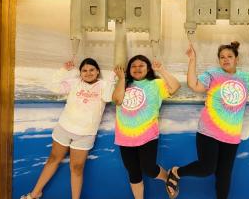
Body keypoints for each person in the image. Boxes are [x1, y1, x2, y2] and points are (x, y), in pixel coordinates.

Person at [165, 40, 249, 199]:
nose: (226, 59)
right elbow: (193, 85)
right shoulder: (213, 74)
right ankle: (176, 172)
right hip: (208, 131)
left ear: (237, 59)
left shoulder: (245, 78)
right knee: (207, 168)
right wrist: (192, 60)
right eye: (222, 57)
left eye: (230, 56)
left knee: (224, 175)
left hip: (231, 136)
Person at [20, 58, 115, 199]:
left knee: (76, 169)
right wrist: (63, 70)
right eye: (84, 70)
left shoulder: (103, 85)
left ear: (97, 71)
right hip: (64, 128)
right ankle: (35, 194)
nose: (88, 73)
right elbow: (53, 86)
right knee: (53, 159)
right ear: (80, 73)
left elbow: (108, 97)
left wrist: (113, 76)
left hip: (85, 134)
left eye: (92, 70)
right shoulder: (75, 83)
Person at [112, 55, 180, 199]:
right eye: (133, 66)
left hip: (147, 135)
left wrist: (161, 70)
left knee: (149, 169)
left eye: (141, 65)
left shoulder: (156, 84)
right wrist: (122, 78)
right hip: (125, 136)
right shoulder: (123, 84)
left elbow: (175, 87)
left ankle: (168, 176)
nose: (137, 69)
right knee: (133, 172)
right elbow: (117, 100)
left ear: (148, 68)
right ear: (129, 70)